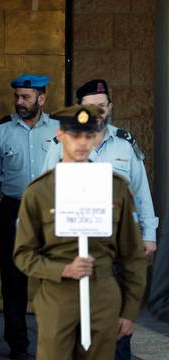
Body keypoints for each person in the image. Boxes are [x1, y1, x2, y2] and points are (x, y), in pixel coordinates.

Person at [14, 104, 147, 360]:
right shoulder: (40, 191)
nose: (83, 143)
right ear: (61, 134)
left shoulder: (114, 187)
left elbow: (133, 255)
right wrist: (63, 269)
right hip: (57, 296)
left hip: (103, 295)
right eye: (76, 135)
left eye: (89, 135)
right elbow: (23, 254)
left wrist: (129, 311)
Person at [40, 80, 158, 359]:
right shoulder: (60, 145)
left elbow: (140, 191)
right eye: (90, 108)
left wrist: (149, 233)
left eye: (102, 107)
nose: (97, 113)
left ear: (110, 108)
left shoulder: (125, 145)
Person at [0, 74, 59, 359]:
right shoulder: (3, 131)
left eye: (26, 97)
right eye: (17, 96)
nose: (19, 102)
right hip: (13, 209)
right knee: (13, 281)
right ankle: (18, 346)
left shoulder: (61, 129)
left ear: (42, 98)